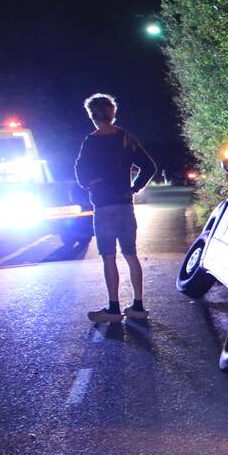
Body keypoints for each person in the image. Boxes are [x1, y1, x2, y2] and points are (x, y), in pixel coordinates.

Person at [74, 93, 157, 323]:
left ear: (92, 115)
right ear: (113, 113)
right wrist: (134, 187)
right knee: (131, 255)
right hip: (124, 205)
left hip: (103, 206)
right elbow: (149, 166)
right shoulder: (126, 139)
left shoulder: (90, 141)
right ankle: (138, 306)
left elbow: (80, 171)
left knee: (108, 257)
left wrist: (90, 184)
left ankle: (113, 309)